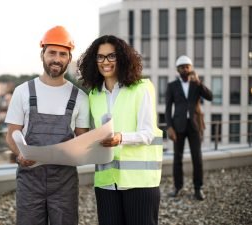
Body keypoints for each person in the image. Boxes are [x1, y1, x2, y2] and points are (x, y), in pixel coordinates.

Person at [5, 25, 90, 225]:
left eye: (63, 54)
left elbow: (82, 140)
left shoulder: (80, 98)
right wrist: (19, 154)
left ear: (69, 59)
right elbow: (11, 135)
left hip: (64, 182)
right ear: (42, 54)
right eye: (52, 52)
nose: (57, 59)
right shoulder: (22, 92)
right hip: (29, 180)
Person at [78, 35, 163, 225]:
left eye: (111, 56)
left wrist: (120, 138)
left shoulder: (142, 88)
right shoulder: (93, 95)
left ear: (122, 58)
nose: (105, 62)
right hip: (106, 183)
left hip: (139, 183)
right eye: (100, 57)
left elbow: (148, 133)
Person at [165, 55, 213, 201]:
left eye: (188, 66)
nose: (185, 69)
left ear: (191, 68)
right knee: (177, 158)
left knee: (197, 158)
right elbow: (167, 109)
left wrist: (199, 83)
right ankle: (177, 187)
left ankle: (198, 189)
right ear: (178, 70)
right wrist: (169, 127)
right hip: (178, 126)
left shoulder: (196, 84)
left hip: (194, 126)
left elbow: (210, 97)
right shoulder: (172, 86)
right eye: (182, 67)